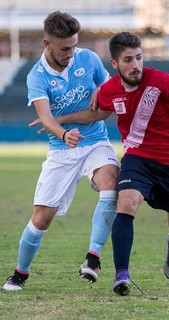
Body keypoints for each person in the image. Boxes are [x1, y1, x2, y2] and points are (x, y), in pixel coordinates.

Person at [30, 32, 169, 296]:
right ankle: (122, 274)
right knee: (126, 201)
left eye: (139, 58)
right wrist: (59, 120)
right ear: (115, 64)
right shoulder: (110, 90)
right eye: (128, 60)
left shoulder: (161, 80)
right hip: (138, 157)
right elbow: (98, 113)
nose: (136, 65)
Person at [2, 11, 119, 291]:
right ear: (47, 44)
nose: (71, 52)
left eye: (74, 45)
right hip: (61, 151)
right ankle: (20, 273)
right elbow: (46, 117)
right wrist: (64, 133)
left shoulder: (88, 59)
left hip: (95, 143)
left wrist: (103, 92)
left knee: (111, 185)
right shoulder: (37, 76)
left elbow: (109, 95)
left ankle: (93, 258)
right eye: (65, 48)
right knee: (41, 219)